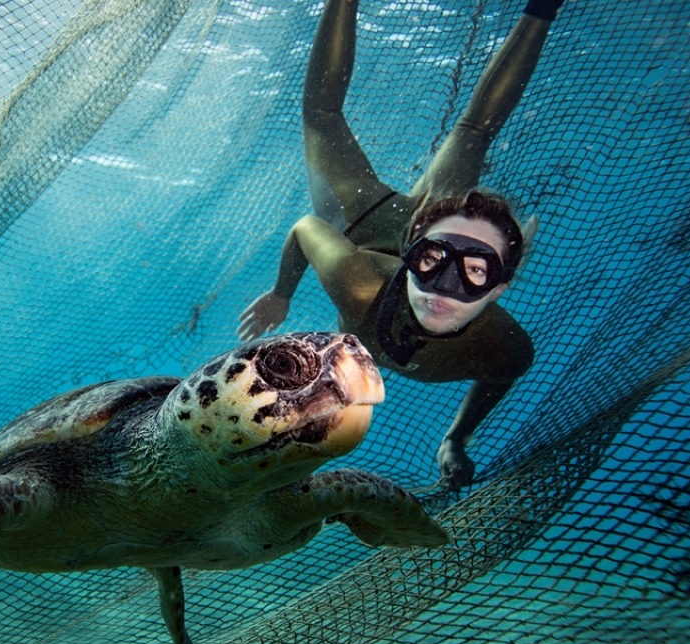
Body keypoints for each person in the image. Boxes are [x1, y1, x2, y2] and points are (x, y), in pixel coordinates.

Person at [238, 0, 565, 486]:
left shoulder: (507, 349)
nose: (445, 289)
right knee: (326, 115)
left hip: (418, 233)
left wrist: (455, 438)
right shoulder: (361, 283)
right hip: (371, 224)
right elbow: (307, 229)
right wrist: (281, 293)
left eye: (475, 272)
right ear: (415, 249)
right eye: (432, 262)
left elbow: (498, 378)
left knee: (473, 133)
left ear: (499, 289)